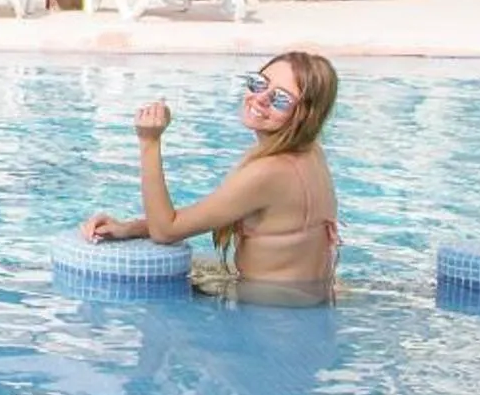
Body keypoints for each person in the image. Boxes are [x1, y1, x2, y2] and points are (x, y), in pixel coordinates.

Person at [83, 51, 341, 304]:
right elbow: (207, 213)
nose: (260, 98)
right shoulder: (309, 152)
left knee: (129, 287)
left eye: (281, 99)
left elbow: (165, 230)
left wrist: (149, 142)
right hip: (304, 297)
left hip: (272, 307)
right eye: (258, 83)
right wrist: (129, 228)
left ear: (306, 115)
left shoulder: (269, 172)